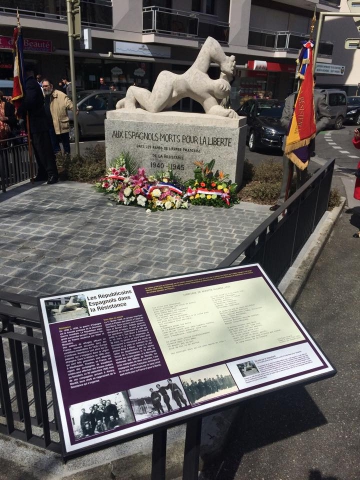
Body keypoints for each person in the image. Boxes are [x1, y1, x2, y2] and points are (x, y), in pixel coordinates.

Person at [116, 36, 237, 118]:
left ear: (218, 96)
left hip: (173, 98)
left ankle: (134, 101)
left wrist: (226, 113)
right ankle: (132, 91)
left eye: (225, 92)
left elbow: (212, 110)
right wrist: (224, 61)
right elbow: (210, 43)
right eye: (226, 86)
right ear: (220, 79)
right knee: (153, 107)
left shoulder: (207, 98)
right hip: (168, 81)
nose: (225, 89)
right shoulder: (199, 70)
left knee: (153, 106)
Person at [270, 76, 331, 211]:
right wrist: (293, 128)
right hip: (290, 141)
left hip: (305, 142)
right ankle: (281, 202)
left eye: (308, 81)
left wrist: (312, 129)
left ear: (313, 83)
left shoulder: (318, 98)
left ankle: (300, 199)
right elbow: (283, 119)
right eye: (301, 82)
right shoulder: (291, 98)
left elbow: (326, 117)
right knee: (287, 173)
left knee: (301, 174)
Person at [17, 65, 59, 184]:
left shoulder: (30, 83)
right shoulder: (29, 83)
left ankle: (52, 174)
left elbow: (30, 100)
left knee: (44, 150)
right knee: (38, 150)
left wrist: (20, 110)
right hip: (35, 123)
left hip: (38, 123)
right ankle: (43, 173)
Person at [42, 78, 74, 155]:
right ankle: (59, 163)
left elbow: (72, 106)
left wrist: (75, 109)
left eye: (46, 86)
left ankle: (67, 162)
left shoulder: (61, 95)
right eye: (43, 86)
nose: (44, 88)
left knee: (66, 146)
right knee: (55, 147)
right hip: (50, 126)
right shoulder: (43, 96)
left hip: (61, 125)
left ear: (51, 86)